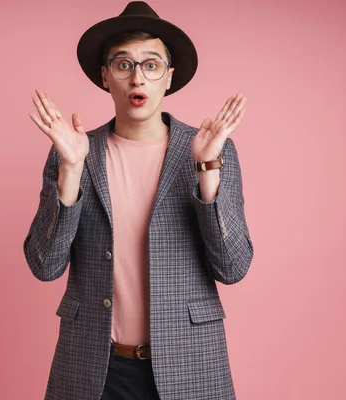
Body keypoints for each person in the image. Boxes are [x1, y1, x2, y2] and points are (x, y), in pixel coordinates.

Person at [23, 1, 253, 399]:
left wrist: (206, 173)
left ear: (169, 78)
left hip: (189, 364)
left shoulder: (209, 151)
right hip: (94, 367)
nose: (137, 79)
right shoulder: (75, 151)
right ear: (104, 76)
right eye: (123, 64)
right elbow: (44, 266)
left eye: (151, 65)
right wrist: (71, 171)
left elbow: (233, 268)